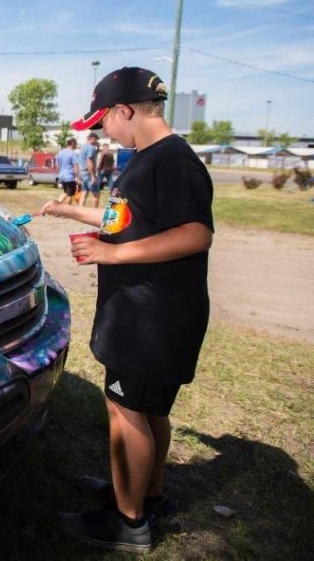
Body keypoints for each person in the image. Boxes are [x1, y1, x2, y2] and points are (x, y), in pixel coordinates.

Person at [36, 67, 214, 554]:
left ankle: (127, 521)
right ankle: (145, 496)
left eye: (103, 121)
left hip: (151, 319)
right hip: (150, 314)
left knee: (125, 411)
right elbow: (124, 216)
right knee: (150, 409)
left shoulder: (172, 161)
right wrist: (70, 210)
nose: (101, 132)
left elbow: (195, 233)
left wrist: (112, 254)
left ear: (125, 111)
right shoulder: (147, 159)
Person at [79, 132, 101, 207]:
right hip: (88, 173)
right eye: (96, 139)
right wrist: (93, 175)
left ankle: (80, 210)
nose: (97, 141)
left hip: (82, 172)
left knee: (84, 192)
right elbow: (89, 160)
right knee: (96, 193)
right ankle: (95, 212)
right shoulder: (91, 147)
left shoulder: (83, 147)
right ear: (93, 138)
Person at [55, 137, 80, 204]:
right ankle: (57, 204)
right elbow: (75, 166)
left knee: (67, 193)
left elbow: (57, 165)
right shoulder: (73, 153)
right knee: (69, 195)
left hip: (62, 176)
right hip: (70, 177)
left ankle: (64, 207)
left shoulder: (60, 153)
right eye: (76, 143)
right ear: (72, 143)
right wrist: (77, 177)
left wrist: (61, 172)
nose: (76, 145)